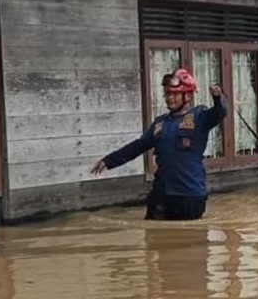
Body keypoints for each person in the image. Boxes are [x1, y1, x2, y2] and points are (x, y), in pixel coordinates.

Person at [89, 68, 228, 221]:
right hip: (161, 194)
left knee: (189, 235)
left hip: (189, 195)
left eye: (174, 94)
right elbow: (138, 146)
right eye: (167, 94)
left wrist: (218, 97)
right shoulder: (160, 123)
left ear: (188, 96)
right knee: (153, 232)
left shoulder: (200, 117)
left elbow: (220, 112)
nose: (169, 98)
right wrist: (109, 161)